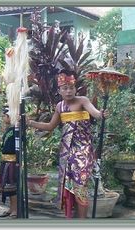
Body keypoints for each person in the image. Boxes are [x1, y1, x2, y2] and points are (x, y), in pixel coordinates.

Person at [25, 72, 110, 219]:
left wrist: (102, 114)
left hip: (83, 152)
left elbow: (95, 113)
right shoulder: (60, 106)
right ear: (59, 91)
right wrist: (30, 123)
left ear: (75, 88)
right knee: (69, 189)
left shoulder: (82, 101)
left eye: (71, 87)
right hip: (66, 153)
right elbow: (50, 126)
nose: (68, 91)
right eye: (64, 88)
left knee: (80, 188)